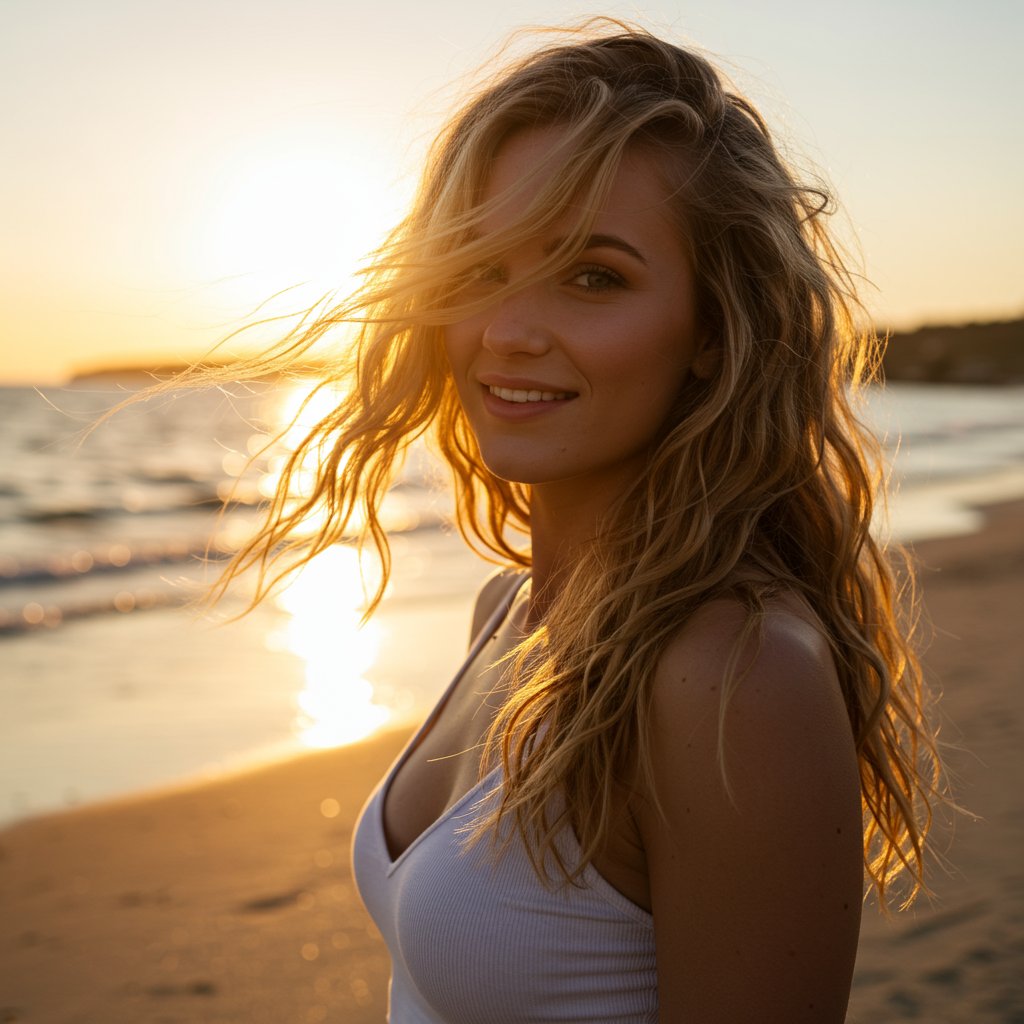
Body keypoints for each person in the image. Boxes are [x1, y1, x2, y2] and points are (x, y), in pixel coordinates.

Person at [215, 21, 943, 1022]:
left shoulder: (734, 675)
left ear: (713, 330)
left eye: (592, 275)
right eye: (479, 268)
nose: (507, 330)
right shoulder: (506, 613)